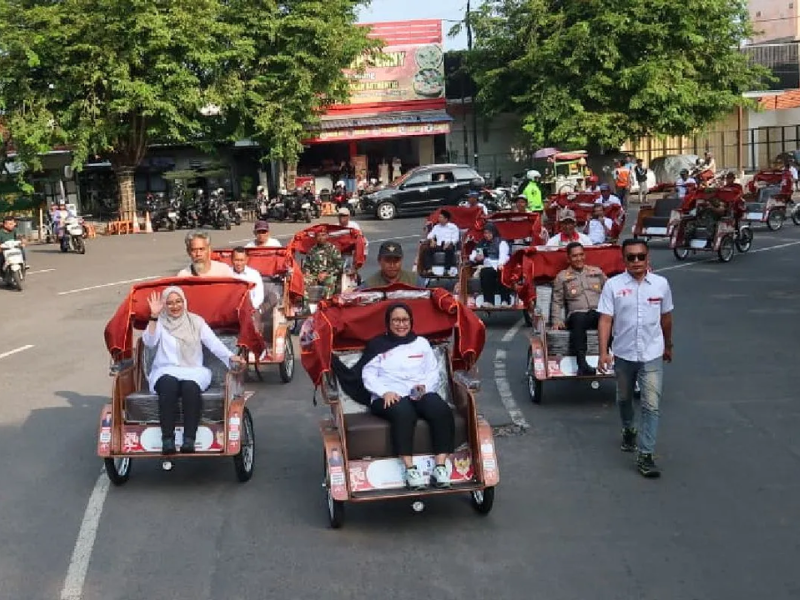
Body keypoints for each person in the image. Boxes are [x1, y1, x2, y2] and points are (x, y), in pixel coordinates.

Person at [598, 239, 673, 478]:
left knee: (651, 405)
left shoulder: (661, 285)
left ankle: (645, 455)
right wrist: (603, 352)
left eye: (641, 256)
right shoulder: (613, 285)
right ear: (624, 260)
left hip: (652, 354)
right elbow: (606, 320)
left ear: (648, 257)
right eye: (631, 257)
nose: (637, 261)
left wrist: (668, 346)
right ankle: (629, 429)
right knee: (624, 398)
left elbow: (666, 318)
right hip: (624, 354)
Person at [361, 303, 455, 489]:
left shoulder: (421, 343)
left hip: (418, 391)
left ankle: (440, 466)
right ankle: (410, 469)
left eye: (404, 320)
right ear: (388, 323)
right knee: (404, 413)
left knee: (440, 409)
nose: (401, 324)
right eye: (396, 320)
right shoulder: (378, 345)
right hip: (388, 395)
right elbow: (368, 374)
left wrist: (425, 387)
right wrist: (383, 392)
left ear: (411, 322)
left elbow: (432, 371)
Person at [143, 286, 246, 455]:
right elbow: (150, 342)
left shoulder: (196, 321)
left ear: (185, 302)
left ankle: (189, 439)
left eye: (178, 302)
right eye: (169, 303)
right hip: (165, 370)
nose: (175, 306)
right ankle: (167, 440)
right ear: (165, 306)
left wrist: (230, 357)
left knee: (190, 387)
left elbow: (213, 343)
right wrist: (153, 317)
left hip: (193, 370)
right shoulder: (160, 322)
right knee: (168, 385)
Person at [551, 242, 607, 375]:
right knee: (579, 318)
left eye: (581, 254)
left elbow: (610, 291)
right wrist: (556, 320)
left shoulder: (597, 272)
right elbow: (557, 301)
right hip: (577, 315)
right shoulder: (562, 277)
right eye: (575, 256)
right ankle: (582, 364)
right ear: (569, 259)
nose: (579, 258)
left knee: (609, 319)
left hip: (597, 313)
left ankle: (612, 357)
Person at [469, 222, 511, 307]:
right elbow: (472, 255)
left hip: (500, 265)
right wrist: (475, 258)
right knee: (485, 272)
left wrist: (500, 264)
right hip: (488, 266)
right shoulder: (482, 243)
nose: (486, 235)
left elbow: (504, 256)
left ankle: (505, 301)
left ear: (493, 232)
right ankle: (489, 301)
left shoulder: (501, 242)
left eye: (488, 233)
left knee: (502, 273)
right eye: (485, 233)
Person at [302, 228, 343, 299]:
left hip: (328, 275)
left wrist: (326, 273)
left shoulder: (333, 249)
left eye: (323, 235)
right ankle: (307, 306)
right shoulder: (312, 250)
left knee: (328, 282)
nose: (321, 238)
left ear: (327, 236)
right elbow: (307, 266)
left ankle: (326, 305)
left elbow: (339, 266)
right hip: (314, 275)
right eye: (318, 236)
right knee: (304, 281)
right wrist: (307, 273)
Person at [422, 209, 459, 276]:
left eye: (440, 217)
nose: (439, 219)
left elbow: (456, 238)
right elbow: (429, 235)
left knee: (449, 249)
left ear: (446, 219)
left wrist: (450, 243)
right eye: (439, 217)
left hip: (448, 245)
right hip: (438, 245)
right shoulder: (436, 227)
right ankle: (429, 269)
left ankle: (447, 270)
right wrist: (432, 240)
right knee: (427, 249)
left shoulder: (453, 227)